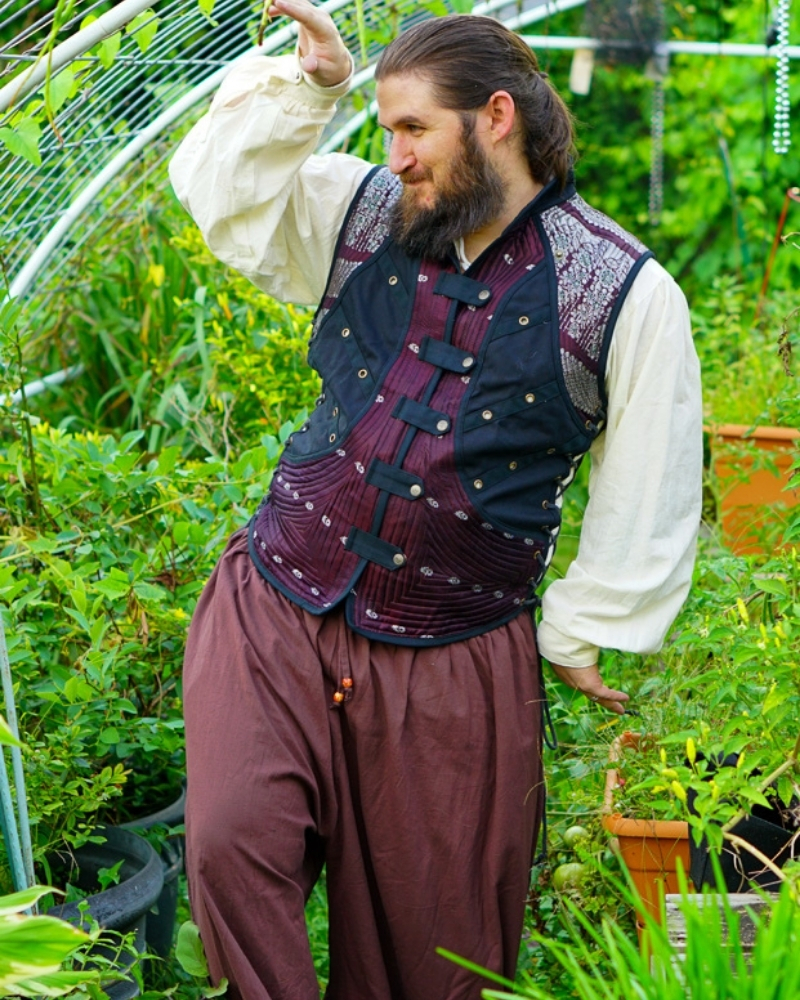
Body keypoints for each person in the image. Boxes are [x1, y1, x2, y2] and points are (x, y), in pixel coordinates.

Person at [169, 5, 702, 999]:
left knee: (433, 956)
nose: (396, 156)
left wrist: (585, 624)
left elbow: (652, 469)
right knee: (231, 844)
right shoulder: (362, 210)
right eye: (386, 130)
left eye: (414, 128)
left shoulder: (621, 289)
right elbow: (222, 196)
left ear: (495, 116)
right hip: (277, 598)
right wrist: (310, 88)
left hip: (452, 654)